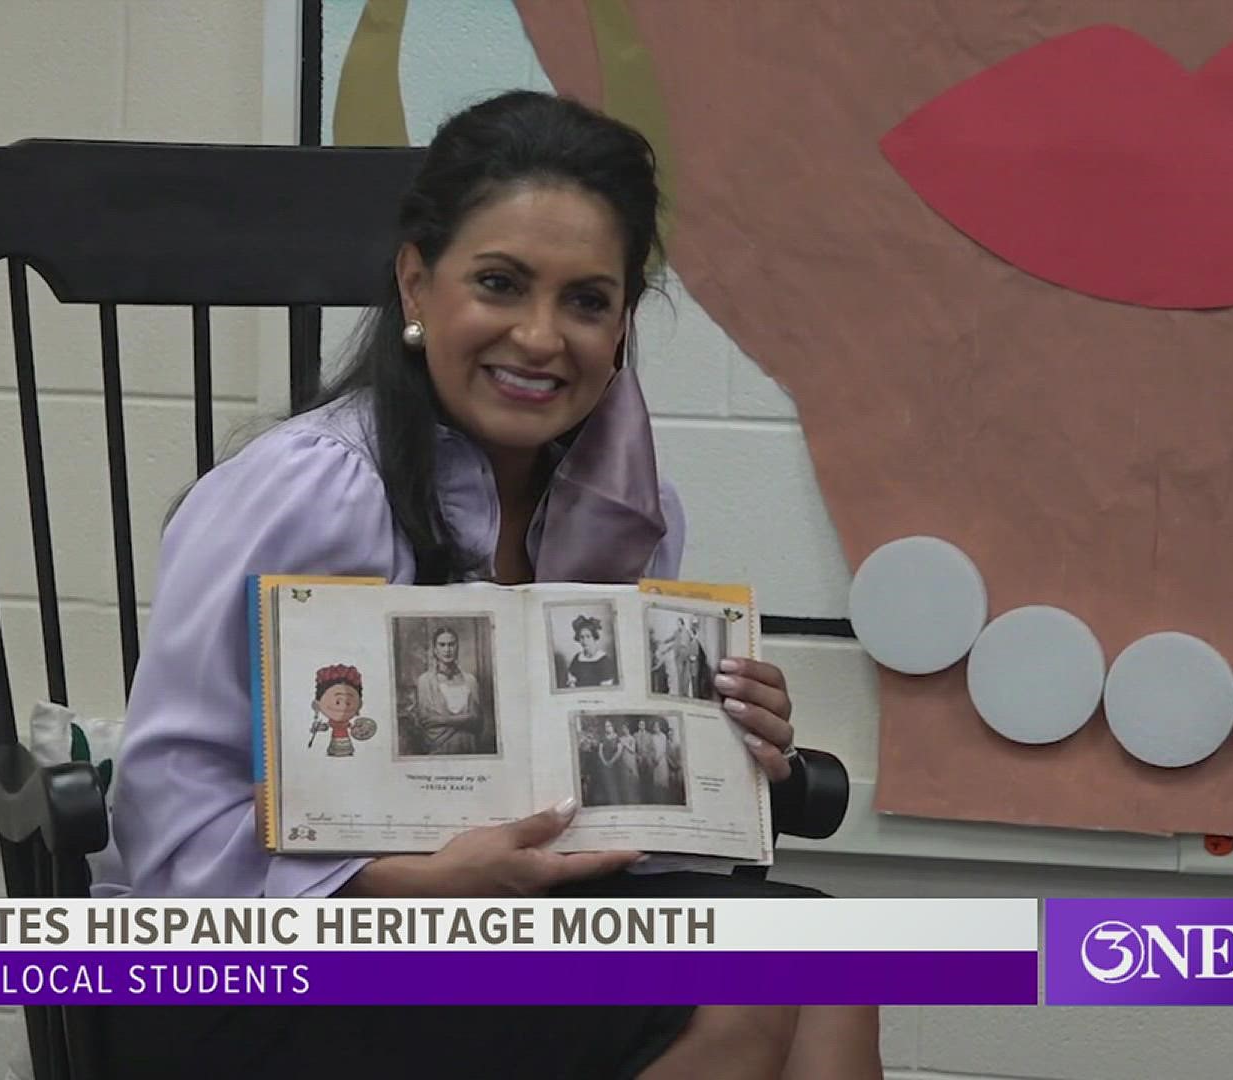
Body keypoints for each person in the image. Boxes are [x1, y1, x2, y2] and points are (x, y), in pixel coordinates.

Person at [105, 90, 882, 1079]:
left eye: (587, 300)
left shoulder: (628, 508)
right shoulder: (304, 491)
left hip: (503, 931)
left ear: (622, 326)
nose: (541, 337)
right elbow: (168, 827)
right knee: (737, 996)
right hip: (252, 964)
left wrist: (717, 753)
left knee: (824, 959)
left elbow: (606, 830)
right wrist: (406, 888)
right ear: (418, 285)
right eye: (502, 284)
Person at [405, 625, 489, 754]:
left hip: (468, 745)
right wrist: (466, 719)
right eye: (442, 645)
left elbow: (478, 720)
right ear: (435, 649)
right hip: (439, 747)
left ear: (457, 647)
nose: (447, 649)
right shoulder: (425, 681)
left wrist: (443, 720)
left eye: (451, 644)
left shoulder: (470, 680)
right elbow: (427, 720)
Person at [566, 613, 620, 687]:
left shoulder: (604, 660)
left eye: (588, 636)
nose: (585, 641)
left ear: (594, 638)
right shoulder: (577, 658)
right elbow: (571, 677)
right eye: (582, 637)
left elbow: (606, 687)